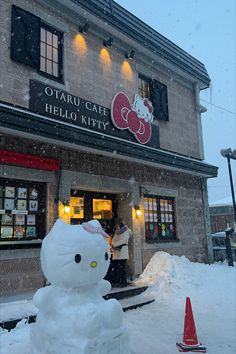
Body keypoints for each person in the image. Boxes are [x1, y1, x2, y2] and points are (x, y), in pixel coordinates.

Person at [111, 218, 131, 287]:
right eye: (116, 224)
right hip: (117, 252)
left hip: (122, 251)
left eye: (117, 224)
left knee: (122, 268)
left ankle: (123, 282)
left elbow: (124, 240)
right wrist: (113, 244)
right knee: (116, 268)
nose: (116, 226)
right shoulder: (117, 232)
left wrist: (115, 244)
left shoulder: (126, 231)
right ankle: (118, 281)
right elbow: (113, 240)